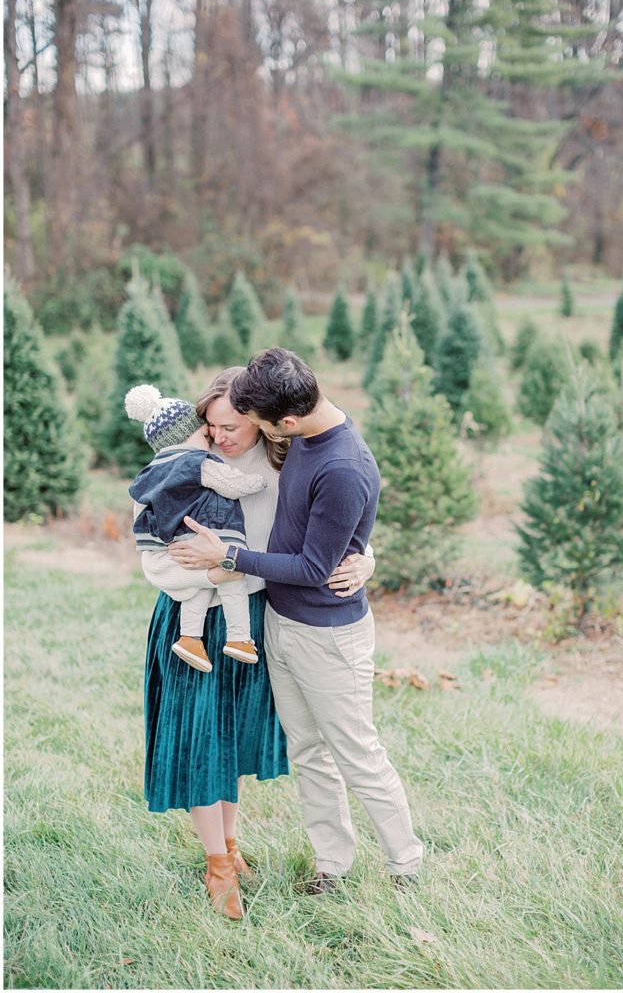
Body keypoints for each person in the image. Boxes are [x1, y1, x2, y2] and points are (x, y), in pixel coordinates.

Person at [170, 348, 423, 891]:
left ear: (286, 420)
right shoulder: (304, 436)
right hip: (280, 623)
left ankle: (406, 865)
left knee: (356, 753)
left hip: (328, 637)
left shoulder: (343, 465)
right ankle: (332, 865)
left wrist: (228, 557)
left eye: (256, 423)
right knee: (308, 751)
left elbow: (314, 566)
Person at [143, 366, 375, 921]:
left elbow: (329, 525)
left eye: (232, 426)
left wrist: (367, 557)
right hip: (191, 627)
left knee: (228, 740)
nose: (220, 436)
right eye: (211, 425)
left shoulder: (286, 464)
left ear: (262, 423)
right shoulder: (177, 469)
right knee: (200, 738)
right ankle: (216, 863)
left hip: (254, 621)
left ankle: (232, 847)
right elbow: (156, 559)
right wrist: (217, 574)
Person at [126, 383, 264, 671]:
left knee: (197, 593)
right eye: (208, 429)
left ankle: (190, 638)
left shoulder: (151, 473)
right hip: (215, 540)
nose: (214, 437)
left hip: (196, 579)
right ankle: (239, 637)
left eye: (227, 427)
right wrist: (255, 483)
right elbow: (230, 483)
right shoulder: (198, 461)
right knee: (231, 582)